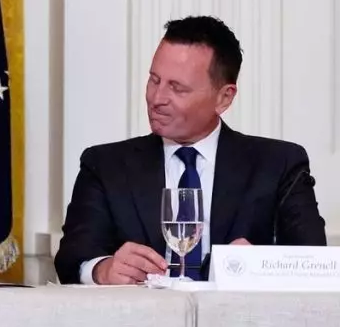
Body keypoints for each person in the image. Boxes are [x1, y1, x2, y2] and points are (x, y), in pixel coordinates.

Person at [55, 16, 326, 285]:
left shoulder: (279, 165)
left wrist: (259, 267)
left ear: (224, 98)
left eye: (177, 88)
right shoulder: (105, 165)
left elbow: (315, 265)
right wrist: (102, 270)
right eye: (154, 80)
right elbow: (71, 258)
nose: (157, 98)